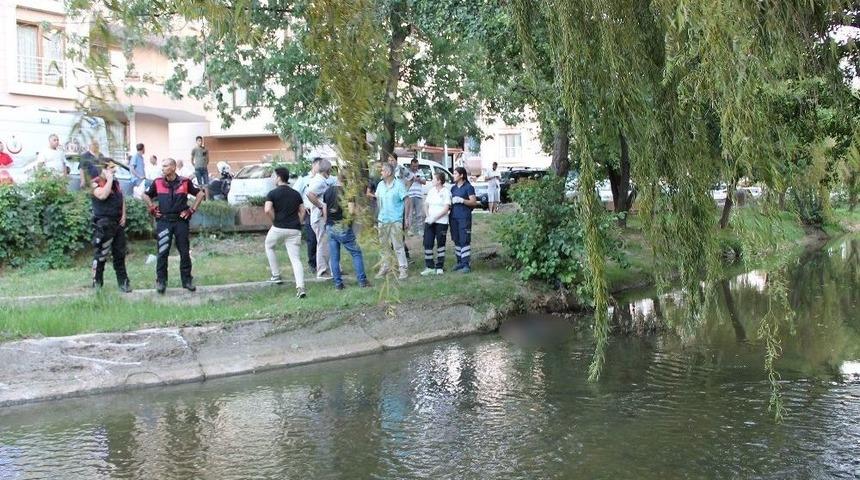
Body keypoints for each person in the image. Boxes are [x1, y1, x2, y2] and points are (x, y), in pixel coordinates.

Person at [143, 158, 206, 294]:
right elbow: (145, 195)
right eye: (162, 166)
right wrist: (152, 207)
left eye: (165, 166)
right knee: (163, 252)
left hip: (180, 222)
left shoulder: (185, 182)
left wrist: (191, 210)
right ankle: (161, 282)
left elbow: (200, 194)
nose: (163, 168)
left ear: (173, 167)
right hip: (164, 221)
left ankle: (187, 281)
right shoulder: (157, 182)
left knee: (184, 252)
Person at [264, 167, 307, 298]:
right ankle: (300, 287)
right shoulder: (296, 194)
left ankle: (276, 275)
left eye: (273, 176)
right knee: (295, 259)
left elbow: (267, 209)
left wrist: (275, 220)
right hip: (294, 229)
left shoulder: (272, 193)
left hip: (278, 227)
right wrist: (297, 222)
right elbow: (303, 211)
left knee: (269, 246)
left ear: (278, 177)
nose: (273, 178)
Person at [89, 160, 131, 292]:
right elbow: (102, 195)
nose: (115, 170)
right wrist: (109, 179)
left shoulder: (116, 182)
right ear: (103, 169)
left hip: (117, 223)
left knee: (120, 254)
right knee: (101, 255)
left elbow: (121, 198)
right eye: (112, 168)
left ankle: (124, 283)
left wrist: (123, 215)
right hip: (104, 224)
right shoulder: (94, 182)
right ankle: (97, 284)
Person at [324, 177, 370, 290]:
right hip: (342, 226)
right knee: (356, 253)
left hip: (330, 226)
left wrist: (327, 223)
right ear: (348, 180)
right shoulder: (348, 193)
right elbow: (351, 211)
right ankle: (362, 280)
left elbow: (324, 210)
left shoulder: (328, 191)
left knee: (334, 257)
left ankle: (338, 284)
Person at [376, 162, 409, 279]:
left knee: (398, 246)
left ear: (389, 172)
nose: (381, 172)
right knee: (383, 246)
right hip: (382, 220)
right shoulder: (380, 185)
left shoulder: (399, 185)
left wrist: (406, 218)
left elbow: (406, 200)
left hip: (395, 220)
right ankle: (385, 267)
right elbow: (378, 201)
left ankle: (403, 269)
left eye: (382, 170)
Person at [306, 158, 335, 279]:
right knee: (322, 243)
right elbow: (309, 194)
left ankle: (330, 268)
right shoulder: (319, 181)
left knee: (325, 243)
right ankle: (322, 271)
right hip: (319, 217)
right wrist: (320, 205)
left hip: (319, 217)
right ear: (328, 170)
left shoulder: (321, 179)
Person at [450, 166, 481, 273]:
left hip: (464, 217)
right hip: (453, 217)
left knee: (464, 239)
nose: (453, 175)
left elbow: (474, 202)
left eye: (455, 173)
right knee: (456, 239)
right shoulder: (453, 188)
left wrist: (462, 200)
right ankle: (459, 262)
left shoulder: (468, 187)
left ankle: (466, 264)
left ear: (461, 175)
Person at [421, 172, 452, 275]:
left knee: (440, 243)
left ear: (439, 181)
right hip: (430, 221)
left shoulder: (446, 192)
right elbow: (426, 204)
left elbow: (446, 208)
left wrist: (435, 217)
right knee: (427, 242)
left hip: (441, 221)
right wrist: (428, 216)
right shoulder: (431, 191)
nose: (432, 181)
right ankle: (429, 266)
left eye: (434, 179)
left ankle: (439, 266)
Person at [293, 158, 320, 273]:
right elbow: (295, 194)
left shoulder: (323, 179)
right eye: (319, 165)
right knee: (312, 239)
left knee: (322, 240)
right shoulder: (304, 179)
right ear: (313, 165)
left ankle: (322, 263)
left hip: (321, 211)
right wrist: (303, 206)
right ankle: (312, 263)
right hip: (310, 212)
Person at [406, 157, 427, 235]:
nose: (415, 167)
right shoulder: (407, 172)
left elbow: (424, 182)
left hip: (418, 195)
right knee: (410, 214)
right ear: (411, 165)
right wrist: (411, 179)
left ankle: (420, 230)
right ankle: (410, 230)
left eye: (416, 166)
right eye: (414, 166)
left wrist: (419, 179)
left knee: (419, 214)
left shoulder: (420, 172)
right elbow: (404, 182)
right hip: (410, 195)